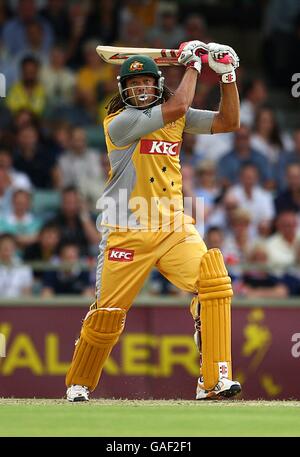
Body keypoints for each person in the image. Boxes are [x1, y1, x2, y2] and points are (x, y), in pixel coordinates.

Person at [65, 40, 242, 402]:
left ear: (157, 84)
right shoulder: (119, 122)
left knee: (213, 281)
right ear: (124, 91)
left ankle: (214, 380)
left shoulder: (175, 117)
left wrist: (227, 76)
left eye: (146, 82)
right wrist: (193, 66)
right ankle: (79, 383)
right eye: (133, 85)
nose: (141, 89)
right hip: (126, 229)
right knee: (108, 316)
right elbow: (179, 104)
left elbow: (229, 122)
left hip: (173, 225)